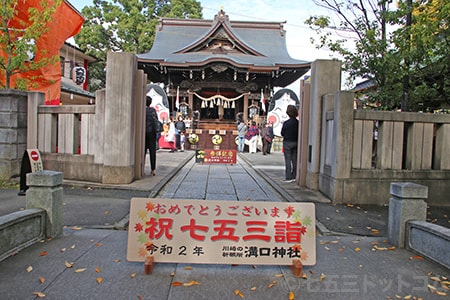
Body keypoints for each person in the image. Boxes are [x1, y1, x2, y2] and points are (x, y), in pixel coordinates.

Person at [281, 105, 299, 182]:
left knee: (287, 160)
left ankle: (288, 176)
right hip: (296, 141)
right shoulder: (298, 123)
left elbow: (282, 133)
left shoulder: (286, 123)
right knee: (294, 159)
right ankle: (294, 174)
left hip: (287, 142)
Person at [145, 96, 158, 176]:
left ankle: (141, 167)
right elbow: (156, 120)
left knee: (142, 151)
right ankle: (153, 169)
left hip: (143, 132)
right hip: (152, 132)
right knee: (152, 151)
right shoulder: (152, 110)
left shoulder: (142, 110)